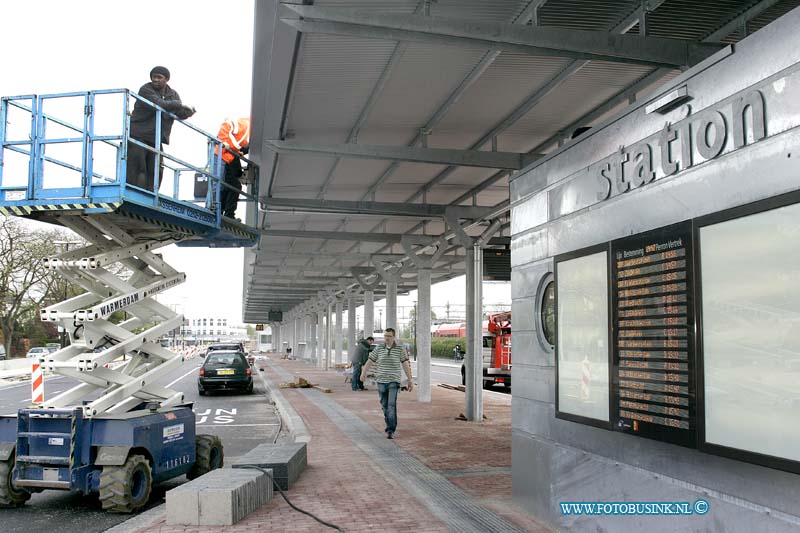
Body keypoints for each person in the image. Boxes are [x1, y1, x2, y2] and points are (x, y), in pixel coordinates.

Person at [127, 66, 195, 191]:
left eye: (159, 77)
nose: (156, 80)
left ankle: (151, 195)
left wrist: (187, 113)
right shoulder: (145, 89)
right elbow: (159, 104)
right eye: (154, 77)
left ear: (167, 79)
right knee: (138, 167)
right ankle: (135, 193)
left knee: (156, 170)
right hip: (139, 134)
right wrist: (178, 104)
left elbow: (178, 112)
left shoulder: (172, 94)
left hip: (156, 137)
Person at [360, 328, 413, 439]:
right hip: (381, 381)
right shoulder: (379, 348)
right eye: (385, 336)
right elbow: (370, 361)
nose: (386, 338)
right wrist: (363, 373)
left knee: (391, 405)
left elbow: (405, 364)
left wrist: (410, 380)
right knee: (384, 406)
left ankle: (390, 430)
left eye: (389, 336)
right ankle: (390, 423)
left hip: (394, 381)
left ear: (393, 337)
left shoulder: (399, 349)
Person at [215, 118, 250, 219]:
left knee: (227, 187)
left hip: (228, 162)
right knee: (232, 186)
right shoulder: (243, 125)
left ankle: (223, 211)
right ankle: (227, 213)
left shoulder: (234, 146)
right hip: (226, 162)